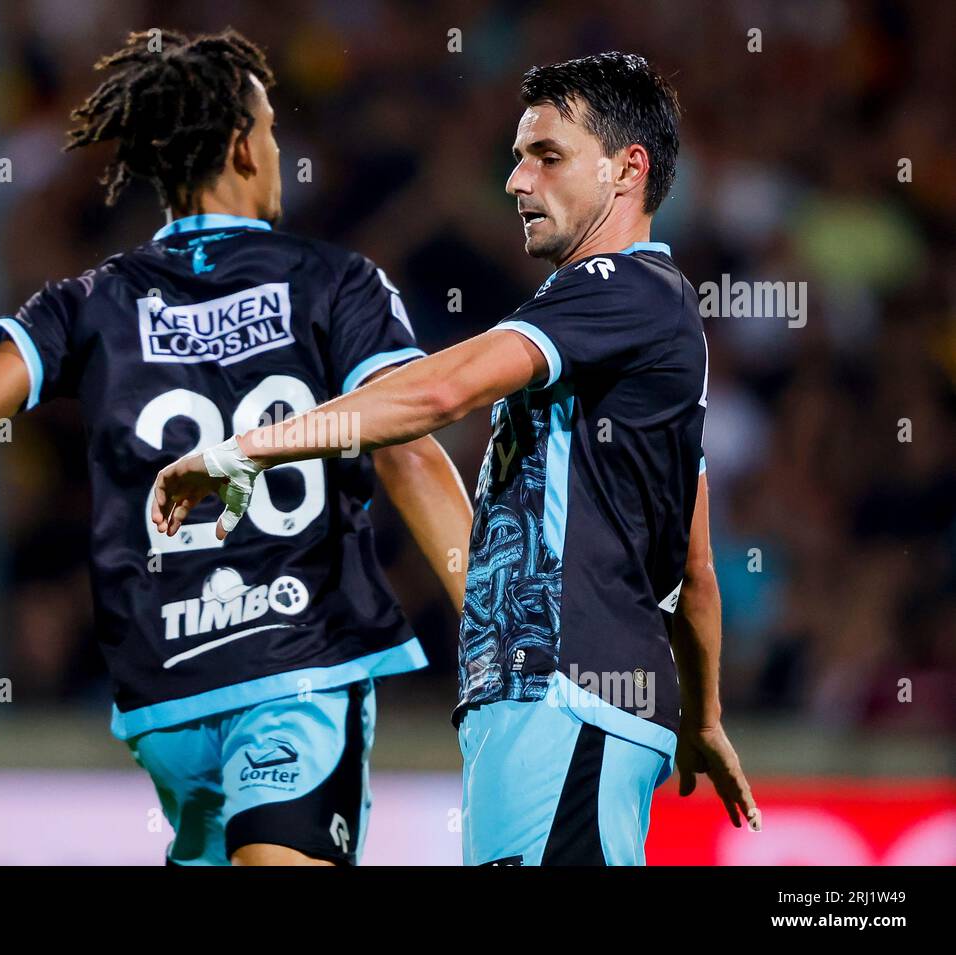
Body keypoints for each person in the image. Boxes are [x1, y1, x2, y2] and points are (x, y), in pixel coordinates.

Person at [0, 29, 471, 867]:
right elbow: (405, 446)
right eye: (269, 131)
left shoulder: (91, 300)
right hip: (294, 669)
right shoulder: (337, 282)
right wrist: (495, 627)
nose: (275, 148)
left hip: (166, 699)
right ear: (241, 144)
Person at [153, 52, 759, 865]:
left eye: (546, 156)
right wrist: (703, 718)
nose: (516, 181)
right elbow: (696, 566)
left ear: (627, 169)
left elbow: (442, 391)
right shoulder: (636, 333)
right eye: (516, 157)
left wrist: (251, 446)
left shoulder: (627, 288)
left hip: (568, 698)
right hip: (560, 707)